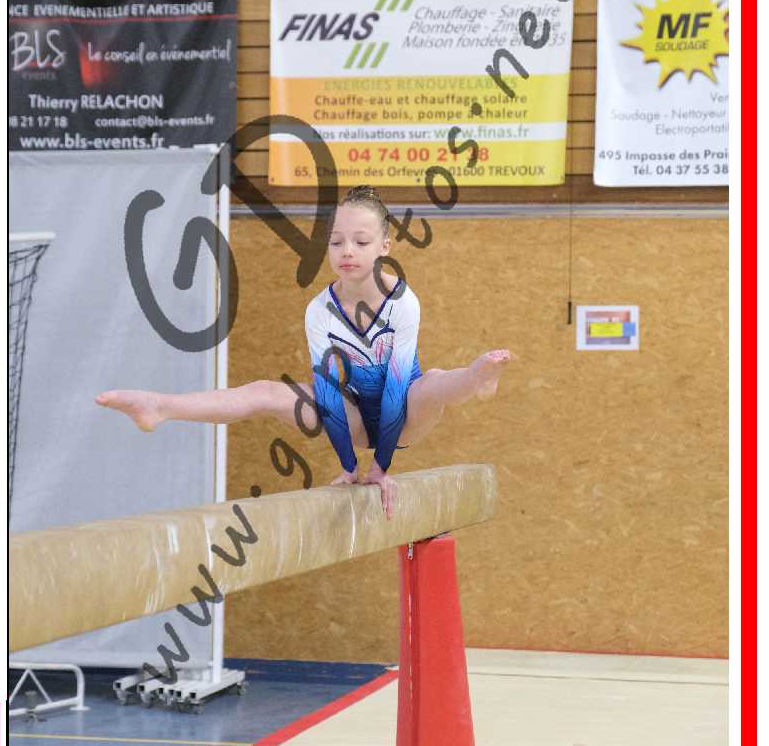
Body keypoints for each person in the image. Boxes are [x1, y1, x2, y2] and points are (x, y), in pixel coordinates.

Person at [96, 186, 510, 519]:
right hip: (352, 415)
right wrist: (349, 466)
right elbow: (328, 397)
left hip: (406, 415)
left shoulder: (403, 302)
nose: (347, 251)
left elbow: (396, 389)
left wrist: (379, 468)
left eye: (361, 241)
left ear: (385, 245)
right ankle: (162, 406)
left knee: (432, 382)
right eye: (336, 241)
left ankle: (475, 378)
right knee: (267, 391)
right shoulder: (320, 311)